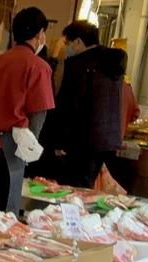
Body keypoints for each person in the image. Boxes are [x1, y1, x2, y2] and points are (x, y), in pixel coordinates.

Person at [0, 7, 55, 222]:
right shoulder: (38, 67)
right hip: (9, 151)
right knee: (2, 222)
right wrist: (29, 148)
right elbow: (38, 114)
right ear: (40, 34)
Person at [48, 21, 127, 188]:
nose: (66, 48)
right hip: (107, 141)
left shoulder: (79, 65)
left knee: (73, 190)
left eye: (68, 43)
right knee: (88, 189)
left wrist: (59, 142)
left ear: (78, 42)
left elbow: (70, 107)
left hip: (83, 141)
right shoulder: (111, 64)